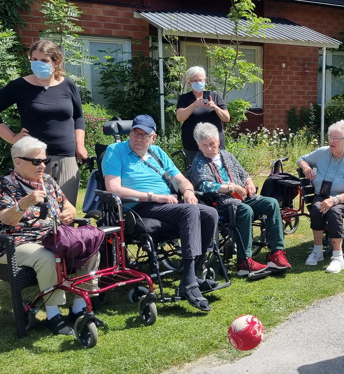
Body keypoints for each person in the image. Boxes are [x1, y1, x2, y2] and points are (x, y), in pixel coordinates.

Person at [102, 114, 218, 312]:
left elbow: (181, 180)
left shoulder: (157, 152)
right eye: (134, 133)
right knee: (190, 212)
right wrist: (154, 196)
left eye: (144, 135)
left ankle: (193, 272)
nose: (138, 138)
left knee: (209, 213)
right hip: (138, 208)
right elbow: (114, 190)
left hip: (167, 206)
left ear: (153, 138)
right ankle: (189, 284)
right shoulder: (115, 151)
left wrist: (188, 191)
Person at [0, 137, 100, 336]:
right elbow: (6, 219)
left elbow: (65, 203)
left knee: (90, 246)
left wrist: (70, 211)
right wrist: (24, 203)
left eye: (44, 161)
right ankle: (53, 315)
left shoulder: (47, 181)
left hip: (51, 235)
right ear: (18, 161)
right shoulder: (4, 185)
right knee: (48, 256)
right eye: (36, 161)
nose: (42, 165)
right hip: (15, 242)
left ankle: (79, 308)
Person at [0, 39, 87, 206]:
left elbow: (78, 117)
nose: (38, 64)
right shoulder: (20, 86)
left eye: (44, 60)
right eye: (34, 60)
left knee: (67, 214)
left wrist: (80, 145)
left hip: (66, 159)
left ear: (56, 62)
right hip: (33, 161)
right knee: (37, 214)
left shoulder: (68, 85)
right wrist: (12, 138)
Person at [187, 122, 292, 277]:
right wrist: (231, 188)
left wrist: (249, 182)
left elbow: (243, 173)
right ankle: (244, 261)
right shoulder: (199, 161)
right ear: (198, 145)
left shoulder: (227, 155)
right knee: (245, 210)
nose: (209, 149)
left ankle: (276, 253)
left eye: (212, 144)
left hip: (241, 198)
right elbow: (203, 184)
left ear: (218, 141)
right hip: (220, 202)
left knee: (271, 203)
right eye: (205, 145)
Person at [297, 120, 344, 274]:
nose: (331, 141)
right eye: (330, 137)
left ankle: (337, 257)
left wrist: (334, 200)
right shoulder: (322, 152)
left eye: (336, 138)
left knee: (334, 212)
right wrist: (306, 167)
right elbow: (301, 159)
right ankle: (318, 251)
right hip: (323, 194)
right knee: (316, 208)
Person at [176, 66, 231, 168]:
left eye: (200, 80)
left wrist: (215, 107)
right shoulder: (185, 98)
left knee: (219, 170)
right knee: (195, 173)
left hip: (214, 144)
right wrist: (194, 105)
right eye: (195, 81)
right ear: (189, 83)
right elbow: (180, 117)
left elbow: (226, 118)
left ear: (205, 80)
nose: (198, 83)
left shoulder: (215, 96)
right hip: (193, 145)